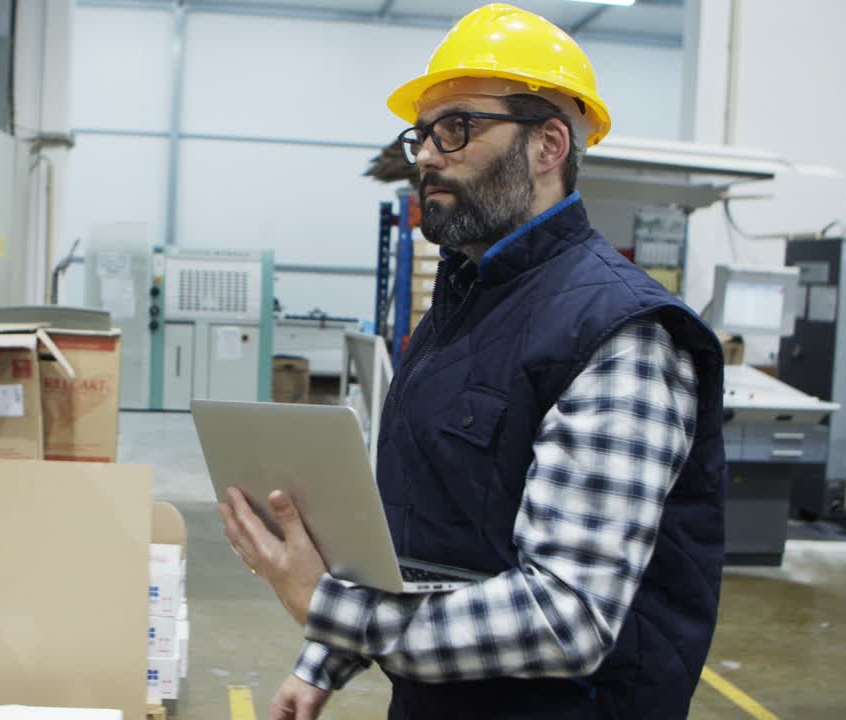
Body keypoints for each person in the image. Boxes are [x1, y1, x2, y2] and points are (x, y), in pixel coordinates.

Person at [218, 4, 728, 719]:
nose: (425, 154)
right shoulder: (464, 308)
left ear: (549, 146)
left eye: (457, 128)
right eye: (422, 132)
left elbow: (567, 616)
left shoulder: (624, 336)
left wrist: (327, 609)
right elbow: (425, 528)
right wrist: (324, 662)